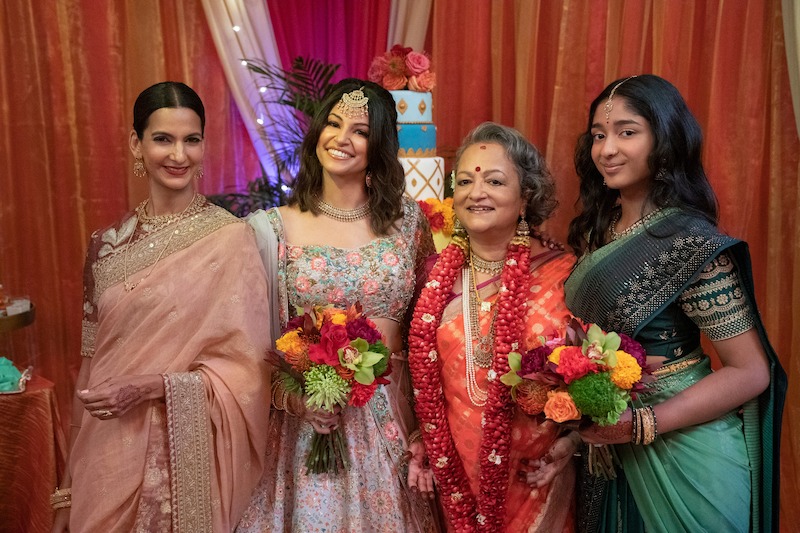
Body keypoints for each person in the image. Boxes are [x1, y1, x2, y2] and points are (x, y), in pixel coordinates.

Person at [565, 74, 787, 532]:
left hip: (685, 449)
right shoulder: (595, 232)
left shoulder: (688, 243)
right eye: (599, 135)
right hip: (610, 447)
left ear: (664, 139)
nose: (607, 149)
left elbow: (751, 370)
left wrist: (643, 424)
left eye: (627, 132)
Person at [51, 81, 272, 532]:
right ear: (137, 143)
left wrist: (152, 385)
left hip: (191, 456)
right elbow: (90, 367)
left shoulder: (231, 239)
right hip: (106, 451)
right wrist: (67, 492)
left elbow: (248, 371)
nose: (178, 154)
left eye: (191, 140)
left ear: (204, 146)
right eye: (162, 139)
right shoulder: (104, 247)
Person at [238, 78, 440, 532]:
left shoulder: (409, 223)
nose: (342, 139)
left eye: (361, 131)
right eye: (333, 123)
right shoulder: (272, 228)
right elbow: (246, 342)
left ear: (381, 146)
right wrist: (292, 398)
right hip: (308, 418)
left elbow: (429, 326)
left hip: (393, 415)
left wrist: (428, 424)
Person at [407, 122, 579, 532]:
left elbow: (590, 373)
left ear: (526, 197)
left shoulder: (566, 274)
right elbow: (413, 372)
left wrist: (572, 443)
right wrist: (421, 439)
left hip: (537, 476)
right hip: (453, 478)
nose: (476, 192)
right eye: (464, 181)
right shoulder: (433, 276)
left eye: (495, 181)